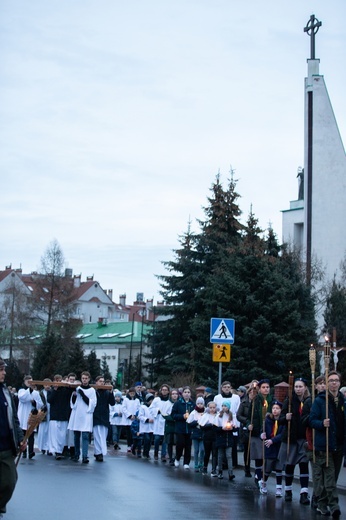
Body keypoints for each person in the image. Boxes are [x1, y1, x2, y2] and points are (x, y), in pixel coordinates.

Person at [310, 370, 344, 518]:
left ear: (340, 383)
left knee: (333, 478)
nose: (334, 383)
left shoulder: (343, 400)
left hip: (339, 444)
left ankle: (321, 505)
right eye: (331, 380)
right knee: (329, 478)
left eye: (336, 380)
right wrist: (321, 423)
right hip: (326, 444)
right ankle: (334, 506)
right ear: (327, 383)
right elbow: (312, 420)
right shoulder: (320, 400)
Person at [0, 358, 26, 518]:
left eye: (4, 369)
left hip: (6, 447)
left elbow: (14, 419)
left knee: (9, 482)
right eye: (1, 369)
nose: (4, 372)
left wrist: (20, 438)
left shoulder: (6, 393)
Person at [278, 377, 310, 504]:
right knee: (289, 464)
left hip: (303, 438)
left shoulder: (309, 401)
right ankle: (288, 491)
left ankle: (304, 493)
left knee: (303, 465)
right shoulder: (289, 401)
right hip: (290, 438)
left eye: (300, 386)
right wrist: (285, 417)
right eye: (296, 386)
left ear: (305, 387)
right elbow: (280, 420)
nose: (298, 389)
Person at [247, 379, 273, 488]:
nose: (266, 389)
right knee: (259, 455)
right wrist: (249, 424)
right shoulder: (255, 400)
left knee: (267, 457)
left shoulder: (272, 400)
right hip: (257, 431)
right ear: (260, 389)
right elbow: (249, 416)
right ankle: (258, 476)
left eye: (267, 387)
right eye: (263, 387)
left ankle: (262, 476)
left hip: (269, 431)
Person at [68, 371, 97, 464]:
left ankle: (85, 456)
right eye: (83, 378)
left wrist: (82, 394)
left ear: (89, 379)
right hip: (77, 414)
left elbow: (92, 403)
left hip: (86, 414)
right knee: (76, 435)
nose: (84, 380)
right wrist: (75, 396)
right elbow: (73, 403)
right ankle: (76, 454)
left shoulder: (92, 390)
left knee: (85, 436)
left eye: (86, 378)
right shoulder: (77, 388)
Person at [259, 400, 284, 496]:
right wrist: (262, 435)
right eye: (273, 408)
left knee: (279, 468)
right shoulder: (267, 421)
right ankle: (263, 483)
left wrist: (273, 440)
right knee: (267, 468)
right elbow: (262, 432)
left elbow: (283, 434)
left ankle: (278, 488)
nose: (275, 410)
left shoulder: (282, 421)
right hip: (269, 448)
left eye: (277, 408)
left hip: (278, 447)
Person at [214, 381, 241, 468]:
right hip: (221, 420)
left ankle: (232, 464)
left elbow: (238, 408)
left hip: (232, 419)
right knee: (221, 444)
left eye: (228, 387)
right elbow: (216, 408)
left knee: (232, 443)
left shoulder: (236, 397)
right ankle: (221, 464)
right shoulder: (217, 397)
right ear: (222, 388)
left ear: (231, 388)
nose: (227, 388)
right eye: (225, 387)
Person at [47, 374, 74, 460]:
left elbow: (71, 391)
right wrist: (55, 389)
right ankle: (56, 451)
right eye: (56, 380)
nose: (58, 382)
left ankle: (60, 450)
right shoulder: (51, 391)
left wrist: (68, 384)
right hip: (54, 416)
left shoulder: (65, 390)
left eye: (60, 380)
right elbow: (50, 400)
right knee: (55, 435)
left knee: (62, 436)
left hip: (63, 415)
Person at [17, 375, 42, 459]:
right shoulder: (22, 391)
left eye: (31, 382)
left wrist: (34, 402)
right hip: (23, 415)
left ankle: (31, 452)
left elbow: (40, 404)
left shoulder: (36, 393)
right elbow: (22, 398)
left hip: (32, 415)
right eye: (28, 382)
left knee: (31, 435)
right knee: (23, 435)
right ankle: (24, 452)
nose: (30, 384)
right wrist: (29, 391)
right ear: (25, 382)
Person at [238, 384, 258, 477]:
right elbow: (239, 415)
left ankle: (258, 470)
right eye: (251, 392)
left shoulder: (258, 402)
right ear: (249, 392)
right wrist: (247, 422)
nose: (253, 393)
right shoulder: (244, 403)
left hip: (256, 428)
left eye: (255, 392)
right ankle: (247, 468)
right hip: (246, 429)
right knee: (247, 450)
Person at [171, 386, 195, 469]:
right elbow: (173, 415)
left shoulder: (192, 404)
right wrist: (182, 416)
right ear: (182, 394)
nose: (187, 394)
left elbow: (196, 415)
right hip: (180, 428)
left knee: (188, 446)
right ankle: (177, 458)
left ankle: (186, 462)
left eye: (188, 392)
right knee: (180, 444)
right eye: (185, 392)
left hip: (189, 428)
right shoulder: (178, 403)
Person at [93, 376, 115, 462]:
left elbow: (112, 403)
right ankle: (99, 453)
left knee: (103, 436)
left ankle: (99, 451)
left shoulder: (107, 392)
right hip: (96, 416)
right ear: (96, 382)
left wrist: (111, 393)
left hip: (105, 417)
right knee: (97, 435)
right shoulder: (94, 392)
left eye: (103, 381)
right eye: (100, 381)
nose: (102, 383)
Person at [215, 401, 235, 480]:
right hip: (221, 438)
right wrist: (221, 428)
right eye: (223, 406)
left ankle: (230, 473)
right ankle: (220, 471)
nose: (224, 407)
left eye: (225, 406)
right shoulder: (218, 416)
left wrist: (232, 428)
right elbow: (215, 428)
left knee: (229, 456)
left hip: (228, 438)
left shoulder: (232, 416)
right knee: (220, 456)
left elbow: (235, 427)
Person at [151, 384, 171, 461]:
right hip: (158, 420)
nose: (164, 391)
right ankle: (156, 453)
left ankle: (163, 455)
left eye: (166, 390)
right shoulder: (157, 399)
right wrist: (157, 411)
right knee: (157, 439)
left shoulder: (169, 400)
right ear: (161, 390)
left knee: (165, 440)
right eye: (163, 390)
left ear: (168, 391)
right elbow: (151, 408)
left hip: (165, 421)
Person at [199, 401, 218, 476]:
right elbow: (201, 426)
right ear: (208, 408)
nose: (212, 409)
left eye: (214, 407)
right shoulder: (205, 415)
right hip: (207, 437)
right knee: (207, 453)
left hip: (215, 436)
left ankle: (214, 469)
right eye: (210, 408)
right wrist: (210, 425)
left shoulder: (218, 415)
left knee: (215, 453)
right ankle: (205, 467)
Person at [187, 396, 205, 472]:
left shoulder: (205, 412)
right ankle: (196, 464)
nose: (200, 405)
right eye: (198, 403)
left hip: (203, 433)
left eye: (201, 403)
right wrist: (196, 422)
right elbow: (189, 422)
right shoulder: (193, 412)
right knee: (196, 450)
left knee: (202, 449)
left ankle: (201, 462)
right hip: (195, 433)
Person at [162, 388, 179, 465]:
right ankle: (171, 458)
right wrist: (172, 418)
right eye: (173, 394)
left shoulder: (179, 403)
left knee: (177, 442)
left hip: (177, 425)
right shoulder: (167, 403)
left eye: (176, 394)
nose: (174, 395)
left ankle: (176, 457)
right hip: (169, 425)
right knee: (169, 442)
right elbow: (164, 413)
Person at [121, 387, 140, 452]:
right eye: (131, 393)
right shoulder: (126, 400)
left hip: (134, 419)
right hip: (128, 419)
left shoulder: (137, 400)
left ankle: (133, 445)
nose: (132, 394)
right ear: (129, 393)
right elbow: (123, 408)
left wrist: (135, 415)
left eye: (133, 393)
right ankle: (129, 445)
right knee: (128, 434)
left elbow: (138, 408)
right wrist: (129, 415)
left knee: (134, 433)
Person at [37, 379, 51, 455]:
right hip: (43, 413)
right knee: (43, 431)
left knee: (50, 431)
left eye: (48, 385)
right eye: (46, 385)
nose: (47, 386)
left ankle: (49, 448)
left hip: (51, 413)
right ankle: (42, 447)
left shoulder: (51, 392)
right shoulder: (41, 393)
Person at [138, 393, 155, 458]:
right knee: (147, 439)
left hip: (152, 427)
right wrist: (147, 420)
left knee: (150, 440)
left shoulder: (154, 408)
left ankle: (147, 452)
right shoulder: (143, 407)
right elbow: (140, 416)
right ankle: (145, 452)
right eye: (151, 400)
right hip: (145, 427)